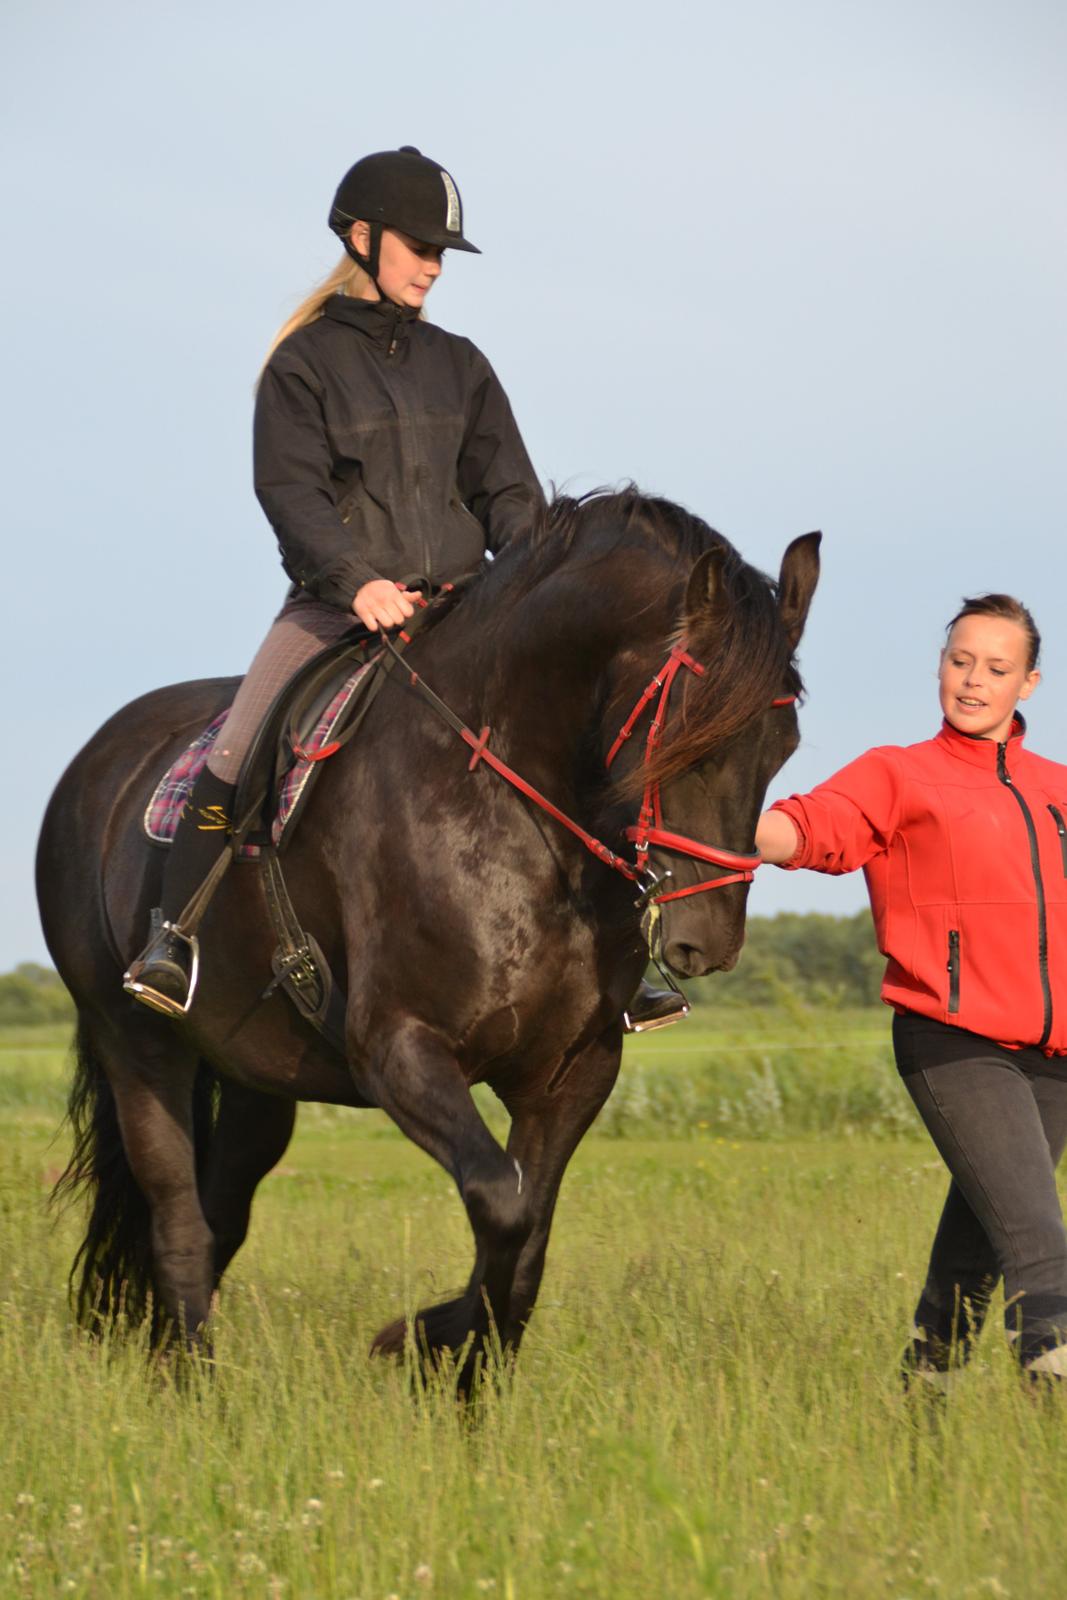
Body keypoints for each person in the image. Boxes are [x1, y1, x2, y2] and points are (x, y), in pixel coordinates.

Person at [123, 145, 686, 1033]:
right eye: (418, 246)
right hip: (335, 608)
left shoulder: (461, 363)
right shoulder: (301, 367)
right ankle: (173, 938)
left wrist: (538, 586)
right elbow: (291, 494)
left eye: (440, 253)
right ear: (360, 236)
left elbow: (506, 490)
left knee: (579, 740)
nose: (431, 265)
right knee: (235, 750)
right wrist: (356, 584)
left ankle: (625, 958)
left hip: (462, 607)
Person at [755, 594, 1067, 1382]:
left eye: (995, 668)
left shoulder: (1056, 791)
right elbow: (815, 826)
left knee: (975, 1249)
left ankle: (919, 1403)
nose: (971, 681)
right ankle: (1050, 1419)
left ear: (1026, 684)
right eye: (958, 660)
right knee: (1038, 1245)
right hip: (953, 1039)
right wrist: (733, 826)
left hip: (1054, 1057)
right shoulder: (899, 773)